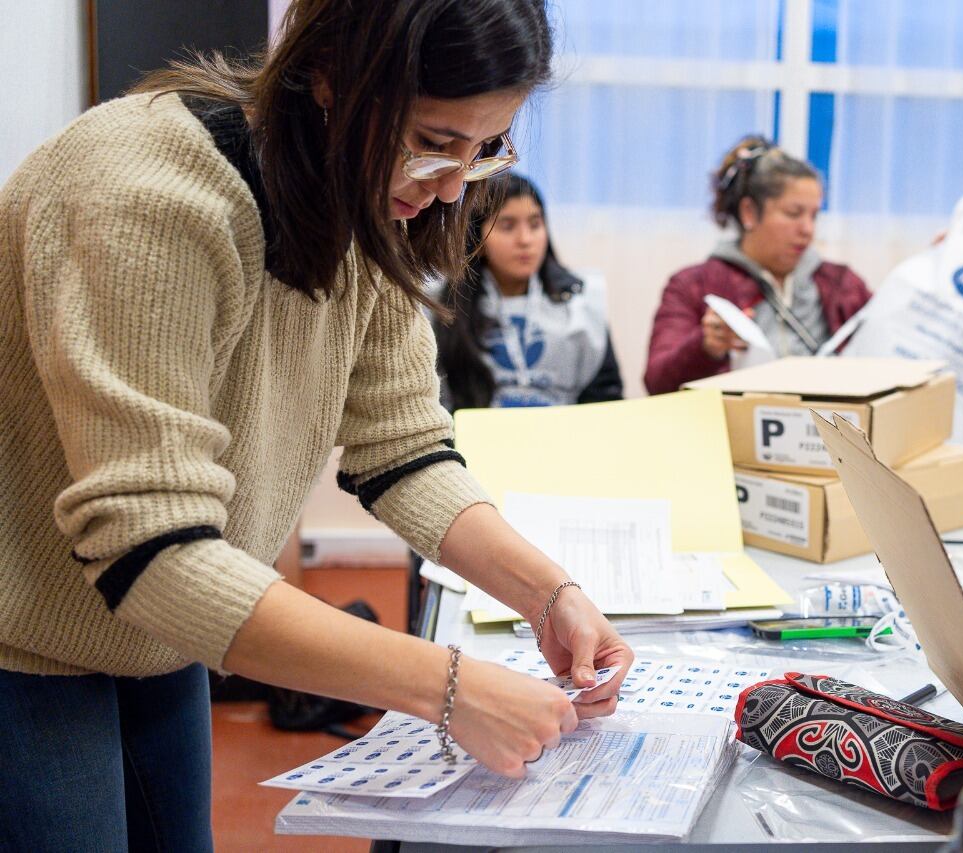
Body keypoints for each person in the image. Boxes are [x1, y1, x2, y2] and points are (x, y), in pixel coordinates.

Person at [0, 1, 633, 849]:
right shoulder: (145, 196)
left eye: (487, 148)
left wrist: (548, 593)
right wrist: (447, 686)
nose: (454, 186)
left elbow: (404, 447)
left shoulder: (373, 198)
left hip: (158, 634)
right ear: (331, 76)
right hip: (24, 638)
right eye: (435, 141)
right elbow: (150, 547)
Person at [644, 135, 871, 394]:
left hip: (830, 427)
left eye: (814, 215)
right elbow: (657, 382)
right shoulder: (695, 285)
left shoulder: (842, 284)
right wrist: (705, 347)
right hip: (734, 429)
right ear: (749, 212)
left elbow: (889, 354)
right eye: (793, 213)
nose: (808, 229)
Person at [434, 172, 623, 409]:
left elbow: (605, 398)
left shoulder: (580, 300)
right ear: (477, 239)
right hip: (475, 439)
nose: (525, 239)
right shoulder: (443, 305)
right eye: (507, 226)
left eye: (535, 224)